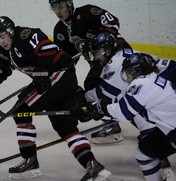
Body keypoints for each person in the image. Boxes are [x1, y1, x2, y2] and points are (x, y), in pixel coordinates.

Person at [0, 16, 111, 181]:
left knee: (21, 110)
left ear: (10, 31)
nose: (1, 41)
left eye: (2, 36)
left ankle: (29, 159)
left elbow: (47, 48)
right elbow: (5, 65)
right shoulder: (2, 49)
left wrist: (43, 72)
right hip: (50, 80)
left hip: (59, 75)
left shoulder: (26, 35)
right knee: (64, 126)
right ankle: (92, 164)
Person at [85, 52, 176, 181]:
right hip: (170, 131)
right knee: (144, 152)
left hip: (172, 131)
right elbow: (127, 102)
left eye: (128, 72)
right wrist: (99, 106)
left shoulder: (141, 84)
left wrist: (101, 109)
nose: (126, 76)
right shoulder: (150, 80)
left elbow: (124, 112)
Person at [81, 32, 174, 178]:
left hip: (169, 83)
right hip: (167, 83)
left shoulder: (114, 66)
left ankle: (159, 157)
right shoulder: (122, 54)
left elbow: (104, 95)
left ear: (106, 51)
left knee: (134, 111)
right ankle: (160, 154)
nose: (95, 57)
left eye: (97, 52)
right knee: (135, 106)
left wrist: (83, 102)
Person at [49, 0, 132, 144]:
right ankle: (114, 119)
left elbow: (112, 22)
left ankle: (113, 123)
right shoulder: (59, 30)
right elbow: (66, 58)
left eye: (61, 7)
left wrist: (97, 39)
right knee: (95, 86)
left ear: (69, 5)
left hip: (117, 53)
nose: (58, 12)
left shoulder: (86, 12)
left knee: (96, 87)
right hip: (99, 62)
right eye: (54, 8)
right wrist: (58, 74)